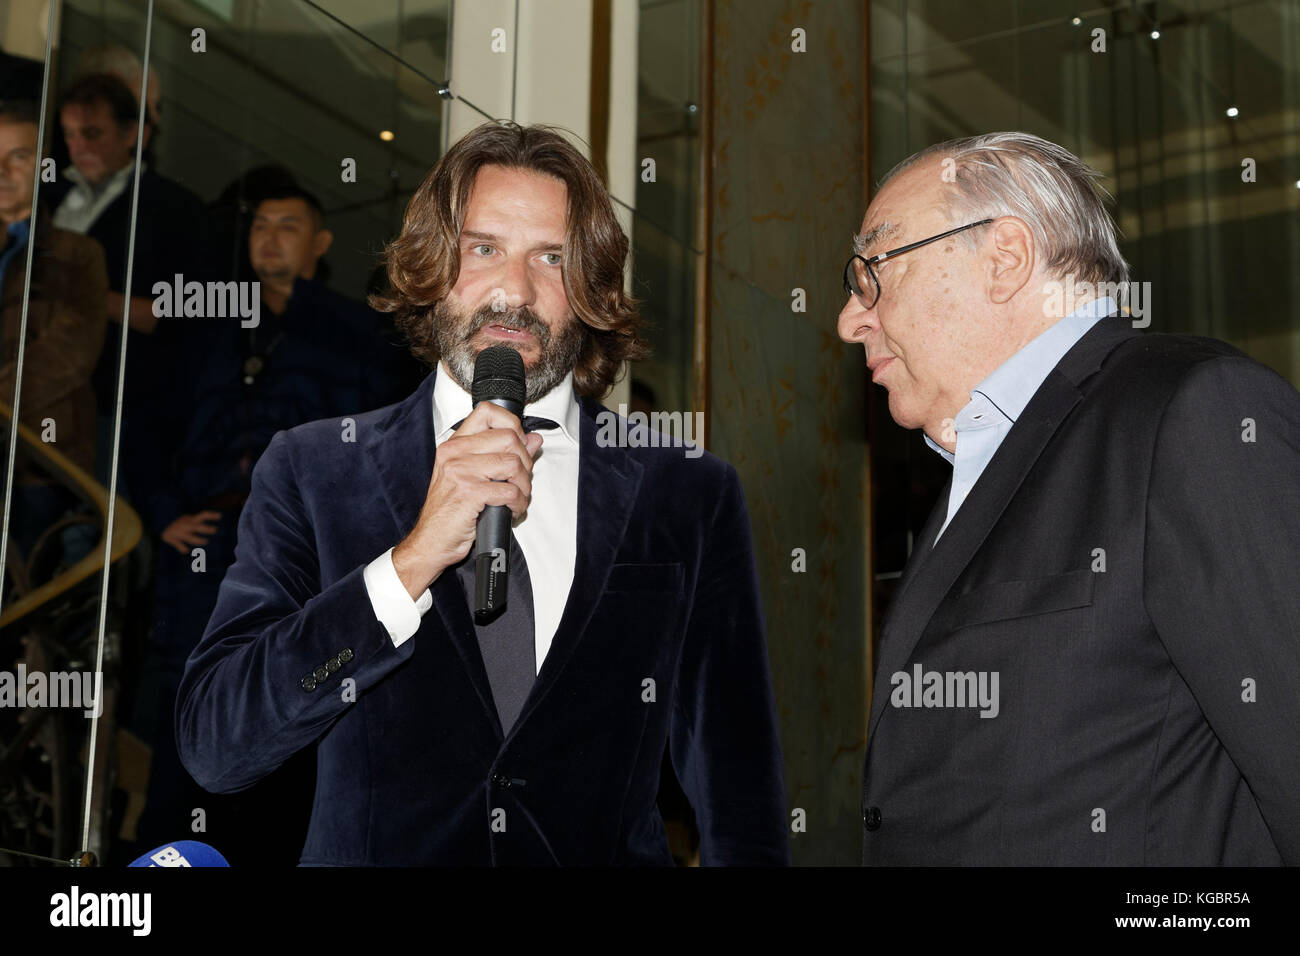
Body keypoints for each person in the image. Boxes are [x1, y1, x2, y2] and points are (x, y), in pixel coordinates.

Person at [175, 121, 789, 866]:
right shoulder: (312, 471)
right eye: (483, 248)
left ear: (591, 287)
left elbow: (741, 793)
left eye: (552, 257)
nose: (515, 292)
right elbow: (217, 744)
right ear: (431, 266)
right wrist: (408, 564)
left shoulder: (688, 490)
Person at [839, 131, 1300, 865]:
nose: (850, 318)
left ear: (1006, 258)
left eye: (872, 271)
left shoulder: (1192, 411)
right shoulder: (983, 468)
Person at [135, 183, 417, 860]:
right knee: (195, 717)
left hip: (310, 558)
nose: (270, 237)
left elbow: (392, 423)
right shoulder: (209, 328)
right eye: (260, 225)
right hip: (207, 547)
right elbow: (146, 423)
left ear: (319, 244)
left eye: (289, 226)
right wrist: (164, 514)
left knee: (293, 706)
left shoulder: (351, 330)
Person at [46, 72, 210, 534]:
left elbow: (189, 308)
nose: (79, 146)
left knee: (95, 531)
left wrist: (90, 299)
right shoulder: (51, 197)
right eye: (71, 135)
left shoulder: (172, 208)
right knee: (32, 527)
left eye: (92, 133)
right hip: (38, 394)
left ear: (132, 133)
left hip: (116, 403)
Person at [0, 99, 108, 567]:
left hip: (37, 463)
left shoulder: (77, 253)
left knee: (23, 606)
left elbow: (68, 354)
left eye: (18, 156)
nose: (2, 170)